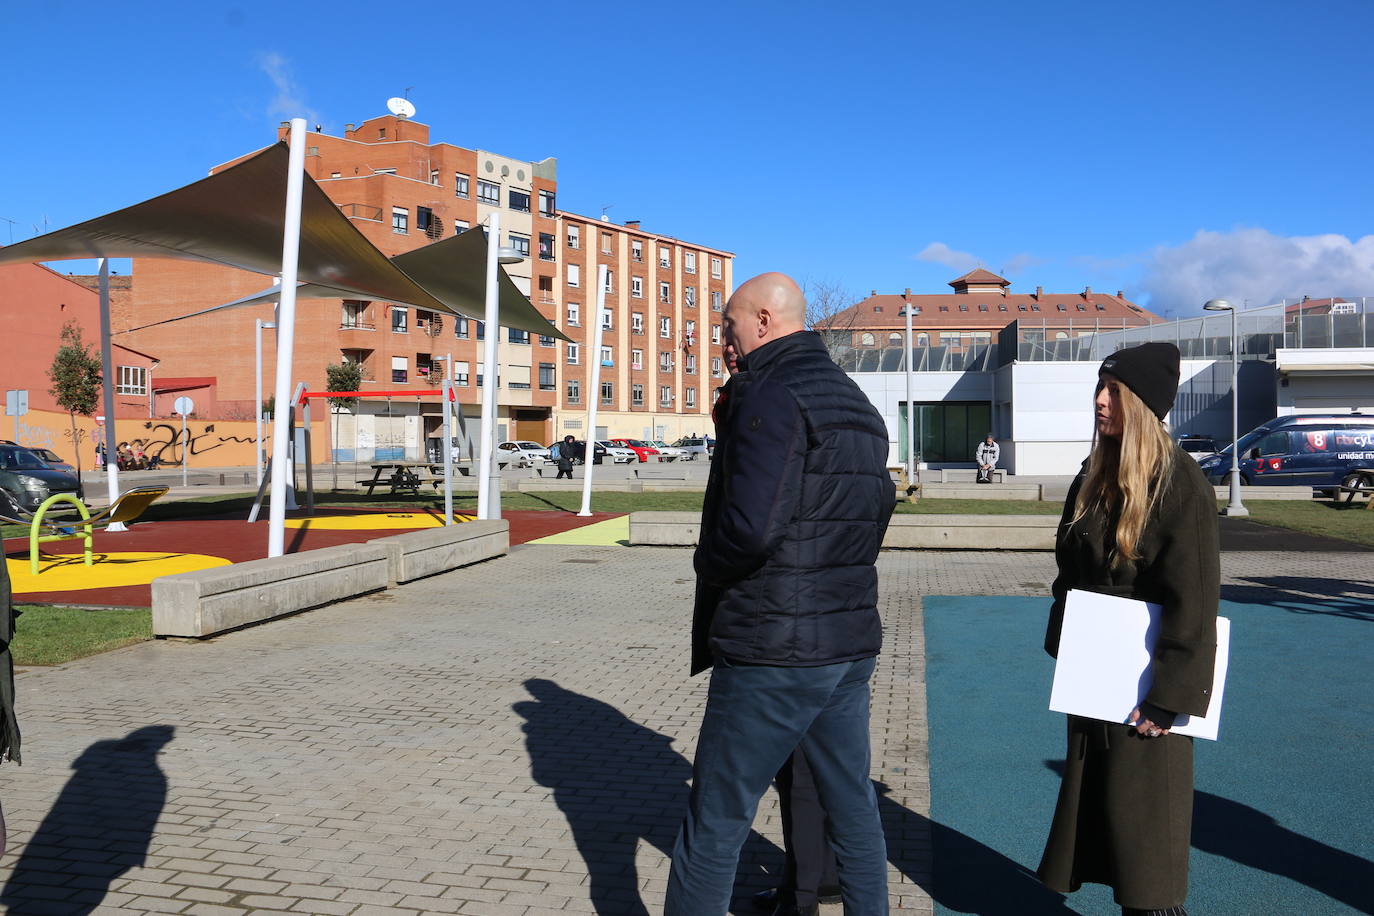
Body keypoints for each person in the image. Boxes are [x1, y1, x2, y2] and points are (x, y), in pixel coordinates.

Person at [666, 272, 895, 916]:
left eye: (730, 325)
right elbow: (875, 515)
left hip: (773, 646)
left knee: (714, 821)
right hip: (846, 643)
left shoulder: (770, 392)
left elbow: (749, 528)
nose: (724, 341)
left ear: (764, 319)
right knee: (852, 807)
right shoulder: (856, 403)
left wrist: (705, 564)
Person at [1038, 342, 1219, 916]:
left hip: (1145, 693)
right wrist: (1068, 644)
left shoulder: (1180, 484)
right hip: (1095, 679)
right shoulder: (1095, 476)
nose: (1099, 401)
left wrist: (1168, 701)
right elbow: (1068, 572)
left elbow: (1193, 598)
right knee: (1104, 828)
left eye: (1113, 391)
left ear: (1142, 403)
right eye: (1099, 387)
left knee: (1148, 857)